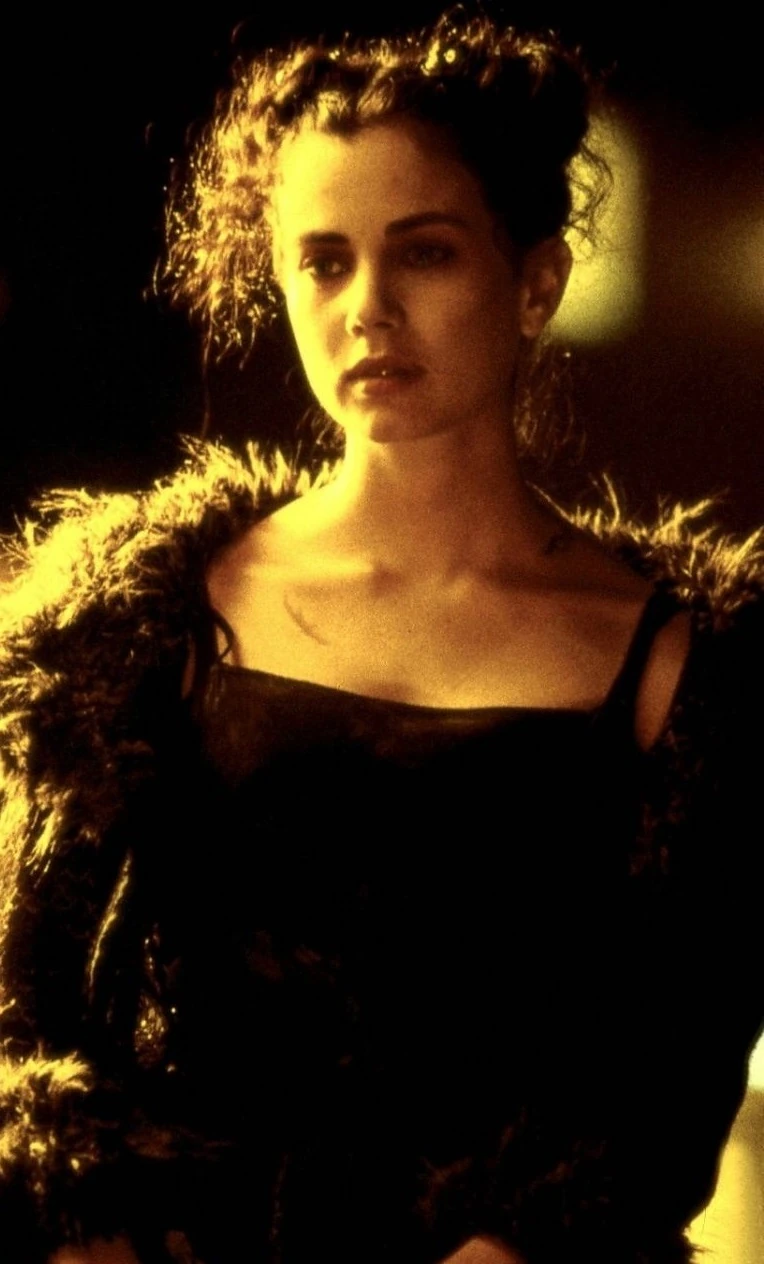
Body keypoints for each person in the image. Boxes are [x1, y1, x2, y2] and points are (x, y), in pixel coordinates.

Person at [1, 11, 762, 1264]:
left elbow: (656, 1090)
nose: (367, 307)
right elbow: (30, 1040)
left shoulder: (675, 670)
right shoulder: (141, 624)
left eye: (425, 253)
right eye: (323, 261)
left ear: (534, 283)